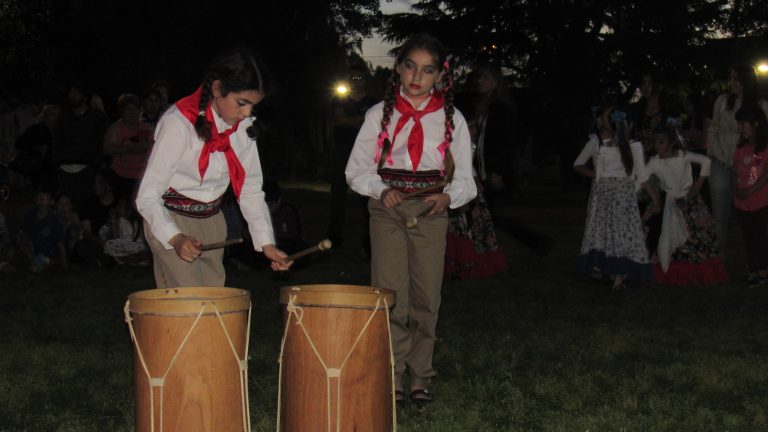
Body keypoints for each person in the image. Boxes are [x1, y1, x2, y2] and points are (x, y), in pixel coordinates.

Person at [346, 34, 477, 402]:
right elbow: (355, 170)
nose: (417, 77)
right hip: (388, 208)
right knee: (389, 295)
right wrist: (379, 188)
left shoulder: (453, 119)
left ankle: (420, 374)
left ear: (440, 75)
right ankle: (393, 372)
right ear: (398, 68)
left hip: (429, 209)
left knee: (425, 296)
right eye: (410, 66)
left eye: (428, 70)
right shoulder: (378, 115)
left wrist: (448, 196)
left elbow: (467, 179)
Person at [136, 47, 291, 288]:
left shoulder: (243, 125)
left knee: (214, 303)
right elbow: (147, 196)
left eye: (253, 106)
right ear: (217, 89)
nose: (247, 113)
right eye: (241, 103)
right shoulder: (178, 123)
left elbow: (249, 188)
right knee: (186, 307)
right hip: (172, 220)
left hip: (213, 222)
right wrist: (174, 237)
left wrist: (266, 243)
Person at [573, 104, 660, 290]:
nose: (608, 120)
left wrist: (655, 198)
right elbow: (578, 164)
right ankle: (603, 267)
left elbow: (642, 176)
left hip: (622, 198)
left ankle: (619, 276)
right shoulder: (596, 142)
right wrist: (596, 176)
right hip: (602, 196)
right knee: (604, 233)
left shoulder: (632, 145)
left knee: (620, 234)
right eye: (606, 117)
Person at [645, 123, 728, 285]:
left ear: (670, 142)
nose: (657, 146)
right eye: (655, 142)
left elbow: (706, 161)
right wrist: (653, 197)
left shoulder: (683, 156)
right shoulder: (655, 162)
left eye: (661, 142)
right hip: (670, 202)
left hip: (690, 202)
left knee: (696, 236)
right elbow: (642, 178)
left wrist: (698, 183)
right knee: (665, 234)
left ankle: (698, 271)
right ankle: (672, 270)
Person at [707, 64, 768, 257]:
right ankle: (719, 255)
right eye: (730, 78)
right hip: (721, 162)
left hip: (751, 165)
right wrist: (710, 150)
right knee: (719, 213)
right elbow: (713, 127)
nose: (731, 83)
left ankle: (757, 256)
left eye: (736, 79)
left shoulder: (761, 106)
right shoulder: (722, 102)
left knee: (753, 210)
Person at [444, 119, 508, 279]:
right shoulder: (460, 145)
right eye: (471, 127)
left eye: (475, 128)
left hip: (469, 192)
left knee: (475, 229)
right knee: (463, 228)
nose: (475, 131)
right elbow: (464, 169)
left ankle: (473, 263)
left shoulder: (471, 146)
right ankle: (461, 264)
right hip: (461, 191)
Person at [327, 67, 378, 251]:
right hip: (342, 150)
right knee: (338, 194)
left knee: (367, 195)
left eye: (360, 77)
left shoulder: (373, 102)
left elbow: (376, 123)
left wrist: (354, 120)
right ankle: (334, 238)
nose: (356, 80)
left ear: (366, 80)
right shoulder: (339, 99)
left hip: (367, 152)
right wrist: (363, 118)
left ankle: (370, 240)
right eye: (352, 77)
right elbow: (339, 121)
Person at [51, 83, 109, 208]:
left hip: (87, 169)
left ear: (85, 97)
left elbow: (101, 143)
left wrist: (98, 166)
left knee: (86, 205)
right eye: (71, 93)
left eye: (76, 93)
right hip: (65, 169)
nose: (72, 96)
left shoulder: (97, 117)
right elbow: (57, 141)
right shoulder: (63, 117)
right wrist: (58, 163)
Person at [731, 105, 768, 287]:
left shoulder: (761, 149)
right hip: (742, 203)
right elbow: (735, 170)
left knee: (761, 236)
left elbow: (760, 173)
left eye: (743, 124)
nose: (740, 128)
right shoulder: (741, 147)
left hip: (759, 203)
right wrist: (737, 190)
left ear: (756, 124)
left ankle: (763, 270)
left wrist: (749, 191)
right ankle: (753, 269)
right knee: (749, 237)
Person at [103, 93, 154, 199]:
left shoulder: (148, 127)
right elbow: (107, 149)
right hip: (121, 176)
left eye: (136, 109)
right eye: (128, 109)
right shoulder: (116, 128)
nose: (133, 113)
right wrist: (127, 148)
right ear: (122, 112)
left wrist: (146, 146)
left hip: (144, 177)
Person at [15, 186, 68, 273]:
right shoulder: (30, 214)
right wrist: (23, 238)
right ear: (35, 199)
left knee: (34, 269)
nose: (41, 200)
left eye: (45, 198)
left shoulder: (54, 220)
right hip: (30, 250)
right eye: (39, 197)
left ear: (51, 202)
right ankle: (32, 260)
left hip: (47, 254)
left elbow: (60, 244)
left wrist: (64, 264)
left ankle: (51, 262)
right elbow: (21, 231)